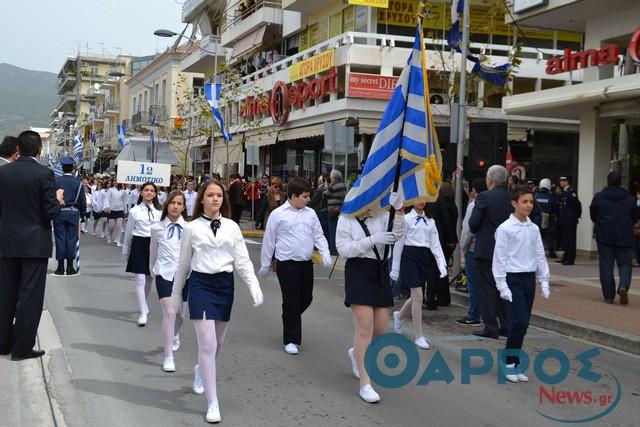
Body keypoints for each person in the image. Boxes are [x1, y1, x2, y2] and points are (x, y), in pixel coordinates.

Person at [171, 179, 263, 423]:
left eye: (219, 195)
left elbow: (242, 260)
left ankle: (201, 370)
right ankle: (213, 402)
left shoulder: (232, 227)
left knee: (218, 342)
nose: (215, 199)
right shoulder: (191, 228)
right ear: (202, 199)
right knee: (208, 344)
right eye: (210, 195)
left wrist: (253, 284)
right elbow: (183, 265)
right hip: (200, 285)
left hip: (224, 285)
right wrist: (176, 295)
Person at [0, 130, 64, 360]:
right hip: (34, 243)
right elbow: (50, 211)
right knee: (30, 296)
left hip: (7, 242)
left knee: (5, 293)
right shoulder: (44, 173)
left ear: (18, 149)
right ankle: (22, 347)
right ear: (40, 150)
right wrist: (57, 200)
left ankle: (3, 342)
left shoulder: (3, 173)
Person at [335, 193, 405, 403]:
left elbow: (398, 235)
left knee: (381, 329)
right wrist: (371, 240)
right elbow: (343, 249)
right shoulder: (346, 218)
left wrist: (399, 211)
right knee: (364, 326)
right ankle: (365, 383)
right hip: (358, 270)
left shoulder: (382, 214)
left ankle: (357, 352)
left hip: (379, 271)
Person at [259, 178, 331, 354]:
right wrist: (265, 263)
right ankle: (291, 339)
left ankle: (289, 316)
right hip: (286, 263)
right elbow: (269, 240)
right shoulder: (278, 214)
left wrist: (325, 253)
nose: (308, 199)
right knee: (292, 300)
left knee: (306, 298)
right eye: (305, 196)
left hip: (305, 263)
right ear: (293, 196)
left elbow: (319, 235)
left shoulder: (311, 214)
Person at [493, 186, 550, 383]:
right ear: (514, 203)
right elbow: (499, 259)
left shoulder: (533, 228)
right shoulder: (505, 229)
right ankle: (509, 361)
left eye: (531, 202)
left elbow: (539, 254)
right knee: (520, 321)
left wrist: (544, 280)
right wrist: (502, 285)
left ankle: (514, 362)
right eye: (525, 201)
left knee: (523, 324)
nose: (529, 205)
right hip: (513, 278)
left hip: (528, 279)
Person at [391, 201, 447, 349]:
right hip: (409, 257)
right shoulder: (406, 219)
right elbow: (399, 242)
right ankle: (419, 335)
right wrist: (395, 267)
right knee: (418, 295)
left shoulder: (431, 221)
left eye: (423, 198)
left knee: (416, 296)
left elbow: (435, 244)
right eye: (418, 198)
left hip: (425, 258)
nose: (421, 202)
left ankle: (399, 316)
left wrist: (441, 264)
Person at [469, 165, 513, 339]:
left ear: (490, 180)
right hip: (508, 250)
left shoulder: (484, 197)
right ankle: (507, 325)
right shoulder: (512, 198)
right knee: (504, 287)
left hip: (487, 249)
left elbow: (473, 224)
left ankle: (491, 327)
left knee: (487, 289)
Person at [149, 190, 189, 372]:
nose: (176, 206)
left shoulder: (190, 228)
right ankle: (168, 357)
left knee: (180, 316)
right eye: (173, 202)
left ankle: (173, 335)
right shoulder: (157, 228)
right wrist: (152, 270)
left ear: (184, 207)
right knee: (170, 313)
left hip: (184, 276)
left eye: (179, 203)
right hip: (164, 273)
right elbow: (153, 252)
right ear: (167, 205)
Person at [589, 171, 637, 305]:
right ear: (620, 181)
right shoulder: (629, 198)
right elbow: (635, 215)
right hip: (625, 235)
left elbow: (593, 214)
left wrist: (600, 223)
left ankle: (608, 296)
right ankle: (623, 285)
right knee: (625, 263)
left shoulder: (599, 197)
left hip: (604, 235)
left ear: (608, 181)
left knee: (606, 265)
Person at [123, 182, 163, 326]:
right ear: (141, 193)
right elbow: (128, 233)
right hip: (139, 244)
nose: (149, 193)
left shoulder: (159, 212)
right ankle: (143, 312)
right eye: (146, 190)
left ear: (155, 194)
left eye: (152, 190)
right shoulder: (134, 211)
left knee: (149, 280)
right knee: (140, 279)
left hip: (154, 245)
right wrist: (125, 251)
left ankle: (143, 304)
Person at [456, 177, 487, 326]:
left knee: (473, 284)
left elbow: (468, 229)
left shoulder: (474, 205)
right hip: (488, 250)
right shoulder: (492, 203)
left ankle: (474, 315)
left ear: (474, 190)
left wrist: (463, 247)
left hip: (473, 249)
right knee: (485, 285)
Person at [424, 183, 457, 308]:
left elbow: (445, 223)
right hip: (445, 242)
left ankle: (432, 298)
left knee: (434, 271)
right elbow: (449, 223)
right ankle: (440, 298)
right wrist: (451, 240)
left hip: (438, 241)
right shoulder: (449, 204)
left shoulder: (438, 204)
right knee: (440, 270)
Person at [53, 157, 86, 276]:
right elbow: (83, 201)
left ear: (62, 168)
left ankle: (60, 267)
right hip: (73, 213)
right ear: (73, 169)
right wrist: (83, 215)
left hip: (59, 212)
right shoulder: (79, 184)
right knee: (72, 239)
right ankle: (70, 267)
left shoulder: (56, 182)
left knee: (60, 238)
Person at [557, 176, 581, 265]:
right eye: (560, 181)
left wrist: (575, 216)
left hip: (570, 220)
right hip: (564, 220)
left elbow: (577, 205)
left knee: (570, 240)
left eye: (562, 181)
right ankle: (565, 257)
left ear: (566, 182)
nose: (560, 183)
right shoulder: (564, 192)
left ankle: (570, 259)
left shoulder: (571, 192)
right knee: (565, 240)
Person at [324, 170, 347, 256]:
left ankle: (333, 250)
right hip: (340, 209)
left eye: (331, 177)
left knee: (332, 230)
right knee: (338, 230)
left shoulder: (333, 186)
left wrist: (326, 185)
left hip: (332, 210)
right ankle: (338, 249)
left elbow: (325, 194)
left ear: (334, 178)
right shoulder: (343, 185)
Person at [535, 178, 558, 258]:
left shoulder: (536, 196)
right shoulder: (551, 197)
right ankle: (551, 253)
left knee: (536, 236)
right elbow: (555, 208)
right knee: (549, 236)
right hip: (548, 219)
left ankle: (535, 253)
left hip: (537, 218)